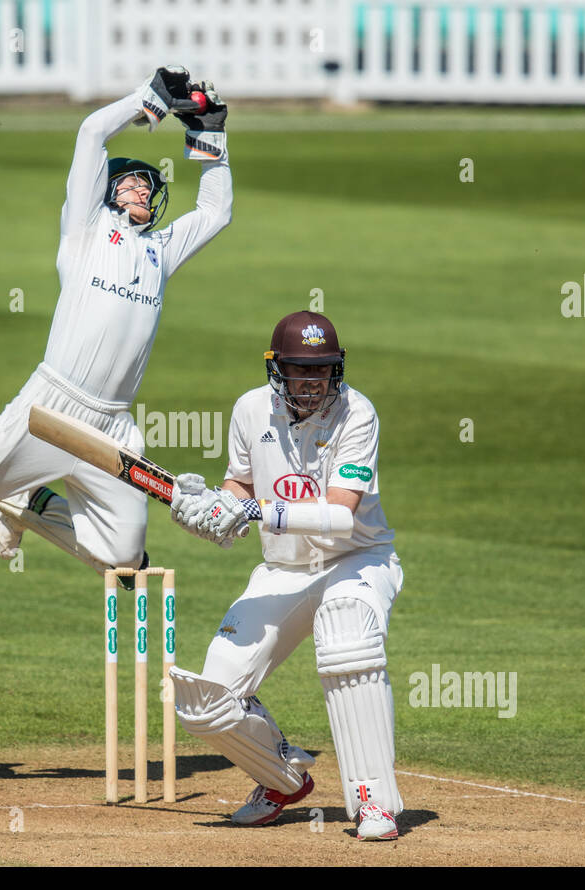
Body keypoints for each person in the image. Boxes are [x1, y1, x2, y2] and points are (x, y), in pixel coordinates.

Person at [0, 66, 231, 580]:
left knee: (125, 563)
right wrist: (145, 100)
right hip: (52, 410)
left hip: (113, 427)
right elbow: (92, 132)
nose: (144, 193)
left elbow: (215, 211)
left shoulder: (159, 251)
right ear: (108, 192)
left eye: (150, 187)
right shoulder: (84, 233)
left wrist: (210, 133)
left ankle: (28, 504)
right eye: (134, 183)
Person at [166, 311, 406, 840]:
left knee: (346, 638)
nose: (312, 382)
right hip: (283, 567)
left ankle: (373, 802)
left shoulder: (356, 413)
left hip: (356, 560)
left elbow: (342, 513)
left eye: (321, 371)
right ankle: (281, 778)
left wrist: (255, 512)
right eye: (300, 370)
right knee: (205, 702)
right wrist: (210, 508)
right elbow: (239, 485)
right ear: (277, 369)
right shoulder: (251, 409)